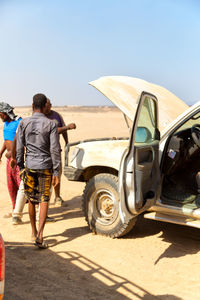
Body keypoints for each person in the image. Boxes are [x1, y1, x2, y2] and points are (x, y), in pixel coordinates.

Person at [16, 93, 61, 249]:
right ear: (44, 106)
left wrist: (21, 167)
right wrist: (56, 171)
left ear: (33, 105)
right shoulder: (52, 124)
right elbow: (54, 149)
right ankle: (40, 236)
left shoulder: (23, 123)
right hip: (46, 167)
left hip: (29, 166)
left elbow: (20, 147)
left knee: (31, 199)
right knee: (44, 199)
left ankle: (33, 232)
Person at [45, 98, 76, 206]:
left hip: (56, 150)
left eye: (51, 104)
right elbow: (54, 130)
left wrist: (66, 142)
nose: (51, 106)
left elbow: (63, 129)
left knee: (57, 174)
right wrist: (67, 127)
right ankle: (45, 200)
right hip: (44, 151)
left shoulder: (57, 115)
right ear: (44, 105)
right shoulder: (41, 118)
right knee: (46, 176)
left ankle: (57, 196)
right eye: (49, 104)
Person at [0, 102, 23, 220]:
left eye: (0, 115)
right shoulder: (6, 124)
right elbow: (7, 140)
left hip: (18, 159)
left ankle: (21, 210)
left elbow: (21, 140)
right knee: (11, 185)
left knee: (21, 185)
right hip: (10, 159)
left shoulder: (19, 122)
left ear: (4, 114)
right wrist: (1, 153)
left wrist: (13, 154)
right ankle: (15, 209)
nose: (0, 117)